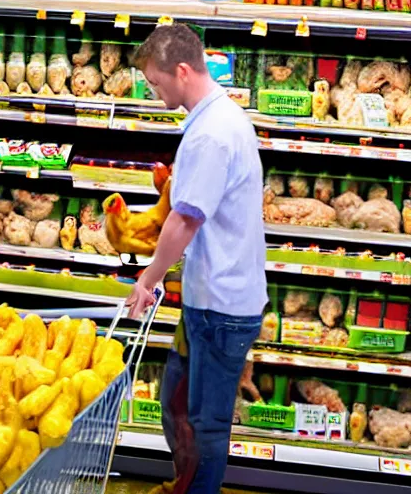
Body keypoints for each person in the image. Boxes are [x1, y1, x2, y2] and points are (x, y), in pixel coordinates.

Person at [126, 24, 268, 494]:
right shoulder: (219, 120)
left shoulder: (211, 135)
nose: (153, 91)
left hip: (222, 311)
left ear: (182, 71)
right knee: (178, 408)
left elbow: (184, 221)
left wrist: (147, 280)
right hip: (209, 301)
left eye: (156, 82)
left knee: (205, 426)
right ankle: (185, 485)